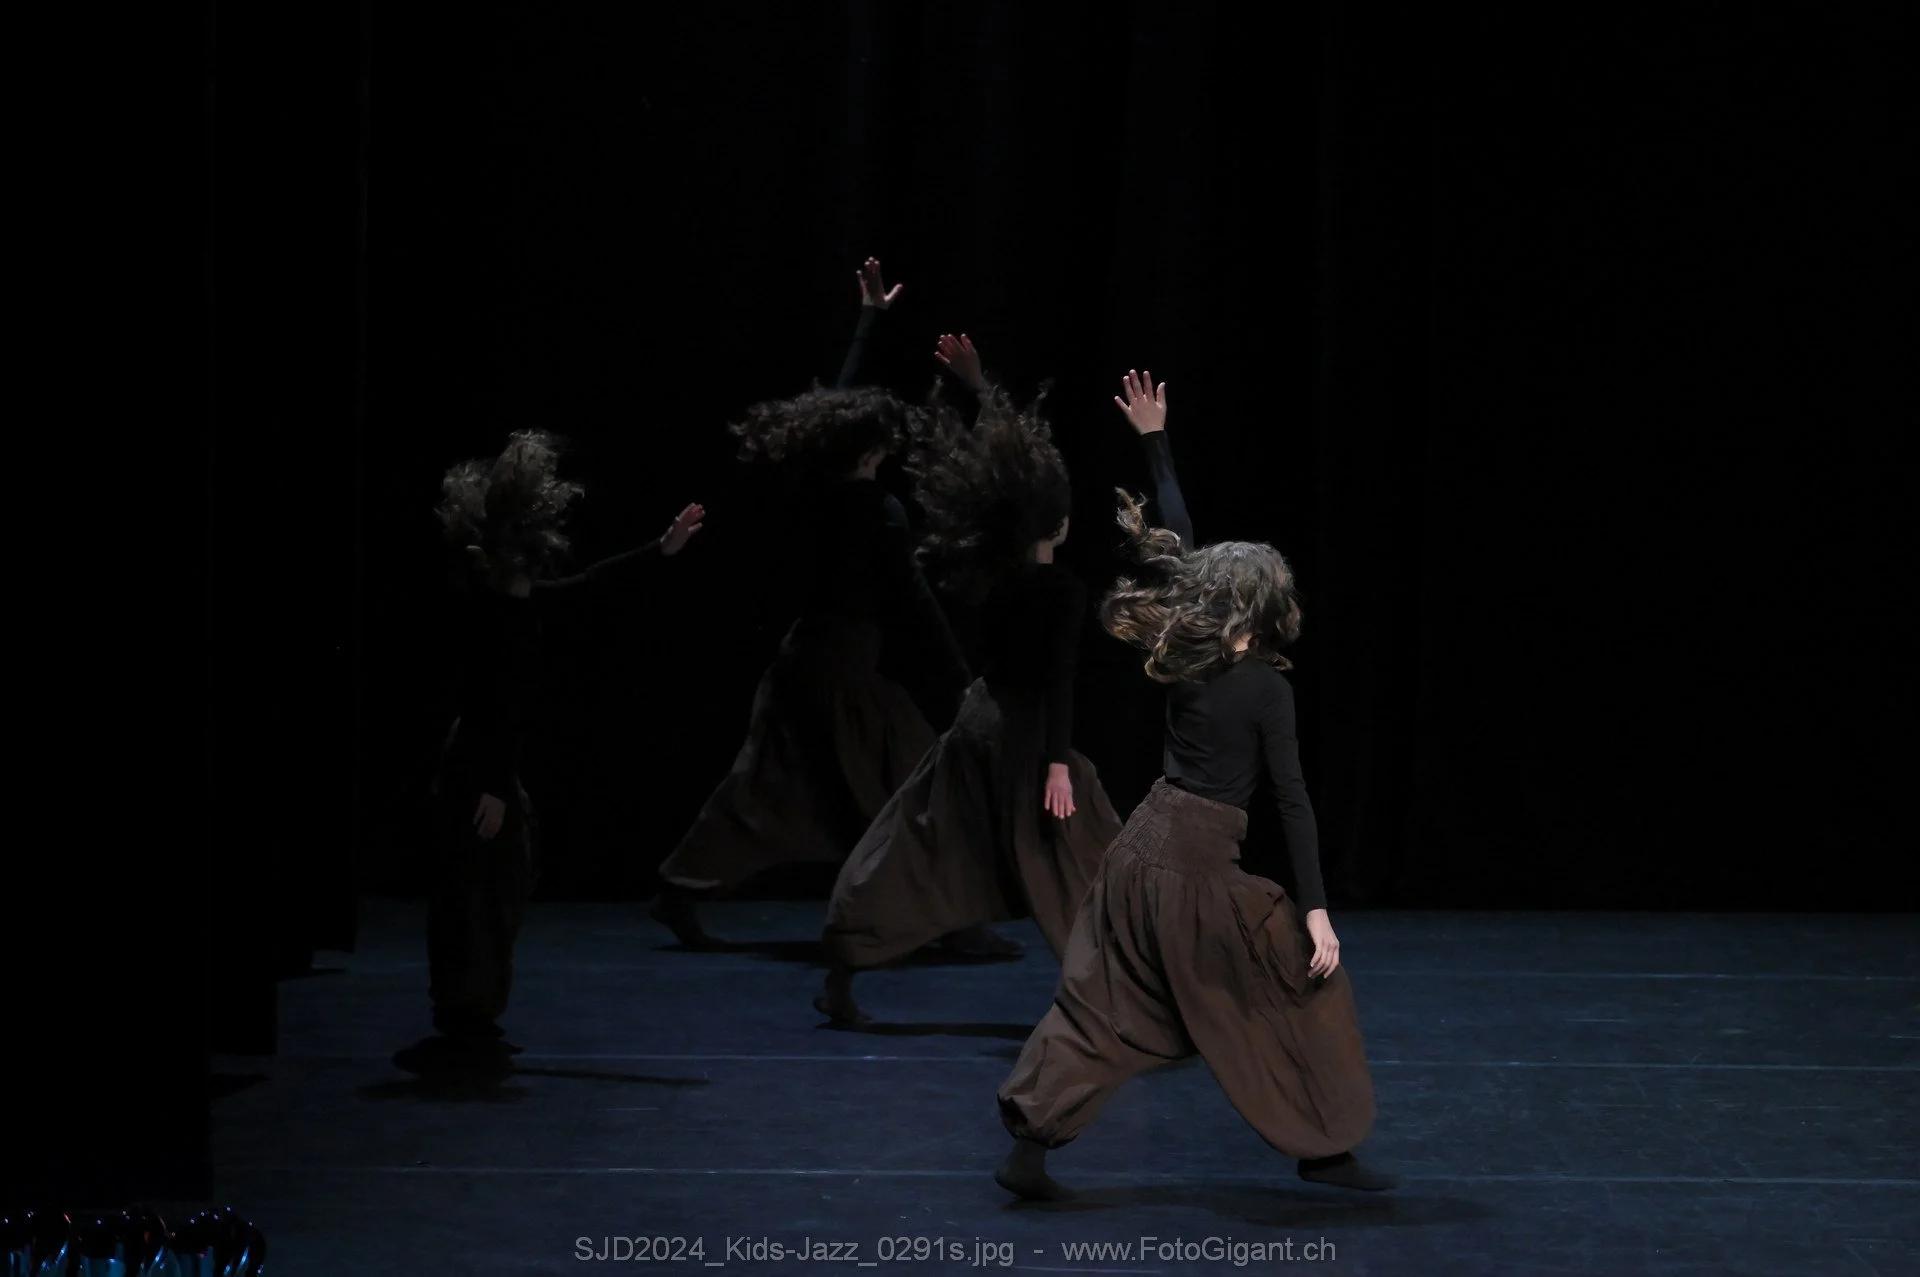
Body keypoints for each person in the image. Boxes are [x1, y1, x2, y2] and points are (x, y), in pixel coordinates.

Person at [993, 371, 1390, 1198]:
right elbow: (1291, 798)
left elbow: (1180, 541)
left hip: (1138, 851)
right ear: (1264, 607)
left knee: (1111, 1003)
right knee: (1295, 983)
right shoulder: (1267, 688)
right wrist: (1316, 907)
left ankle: (1027, 1148)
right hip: (1197, 870)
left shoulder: (1187, 653)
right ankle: (1324, 1145)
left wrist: (1155, 442)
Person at [652, 260, 978, 949]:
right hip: (845, 673)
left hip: (802, 660)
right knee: (910, 779)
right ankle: (937, 916)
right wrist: (961, 680)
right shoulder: (877, 511)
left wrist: (867, 322)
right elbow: (915, 605)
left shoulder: (816, 490)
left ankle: (681, 886)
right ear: (872, 446)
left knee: (763, 787)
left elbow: (832, 404)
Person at [817, 358, 1124, 1025]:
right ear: (1059, 522)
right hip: (1025, 735)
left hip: (976, 721)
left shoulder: (992, 573)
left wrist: (984, 394)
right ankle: (1121, 994)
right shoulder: (1064, 591)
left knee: (921, 844)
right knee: (1086, 853)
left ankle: (845, 962)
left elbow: (1013, 475)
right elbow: (1058, 679)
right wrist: (1057, 763)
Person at [416, 428, 703, 1072]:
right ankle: (464, 1022)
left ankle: (473, 1019)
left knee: (497, 888)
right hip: (478, 769)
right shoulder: (493, 617)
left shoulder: (520, 603)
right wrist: (492, 785)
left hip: (487, 766)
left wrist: (661, 549)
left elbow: (591, 585)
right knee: (478, 894)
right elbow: (492, 706)